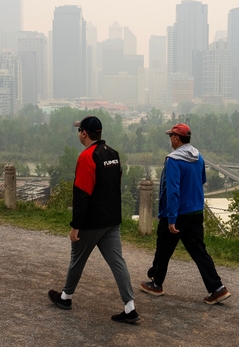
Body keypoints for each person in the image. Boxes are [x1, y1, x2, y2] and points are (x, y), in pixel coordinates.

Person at [48, 115, 140, 324]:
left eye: (79, 130)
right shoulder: (113, 155)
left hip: (91, 223)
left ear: (84, 133)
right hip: (111, 221)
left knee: (77, 260)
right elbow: (115, 185)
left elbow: (82, 195)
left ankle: (65, 297)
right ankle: (130, 307)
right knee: (118, 263)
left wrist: (75, 226)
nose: (78, 133)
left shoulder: (86, 157)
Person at [140, 123, 231, 305]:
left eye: (170, 137)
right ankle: (217, 288)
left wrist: (172, 218)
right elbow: (202, 180)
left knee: (164, 248)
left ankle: (156, 284)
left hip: (176, 213)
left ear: (176, 138)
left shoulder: (174, 160)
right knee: (199, 251)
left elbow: (173, 190)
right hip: (195, 211)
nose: (170, 140)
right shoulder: (199, 157)